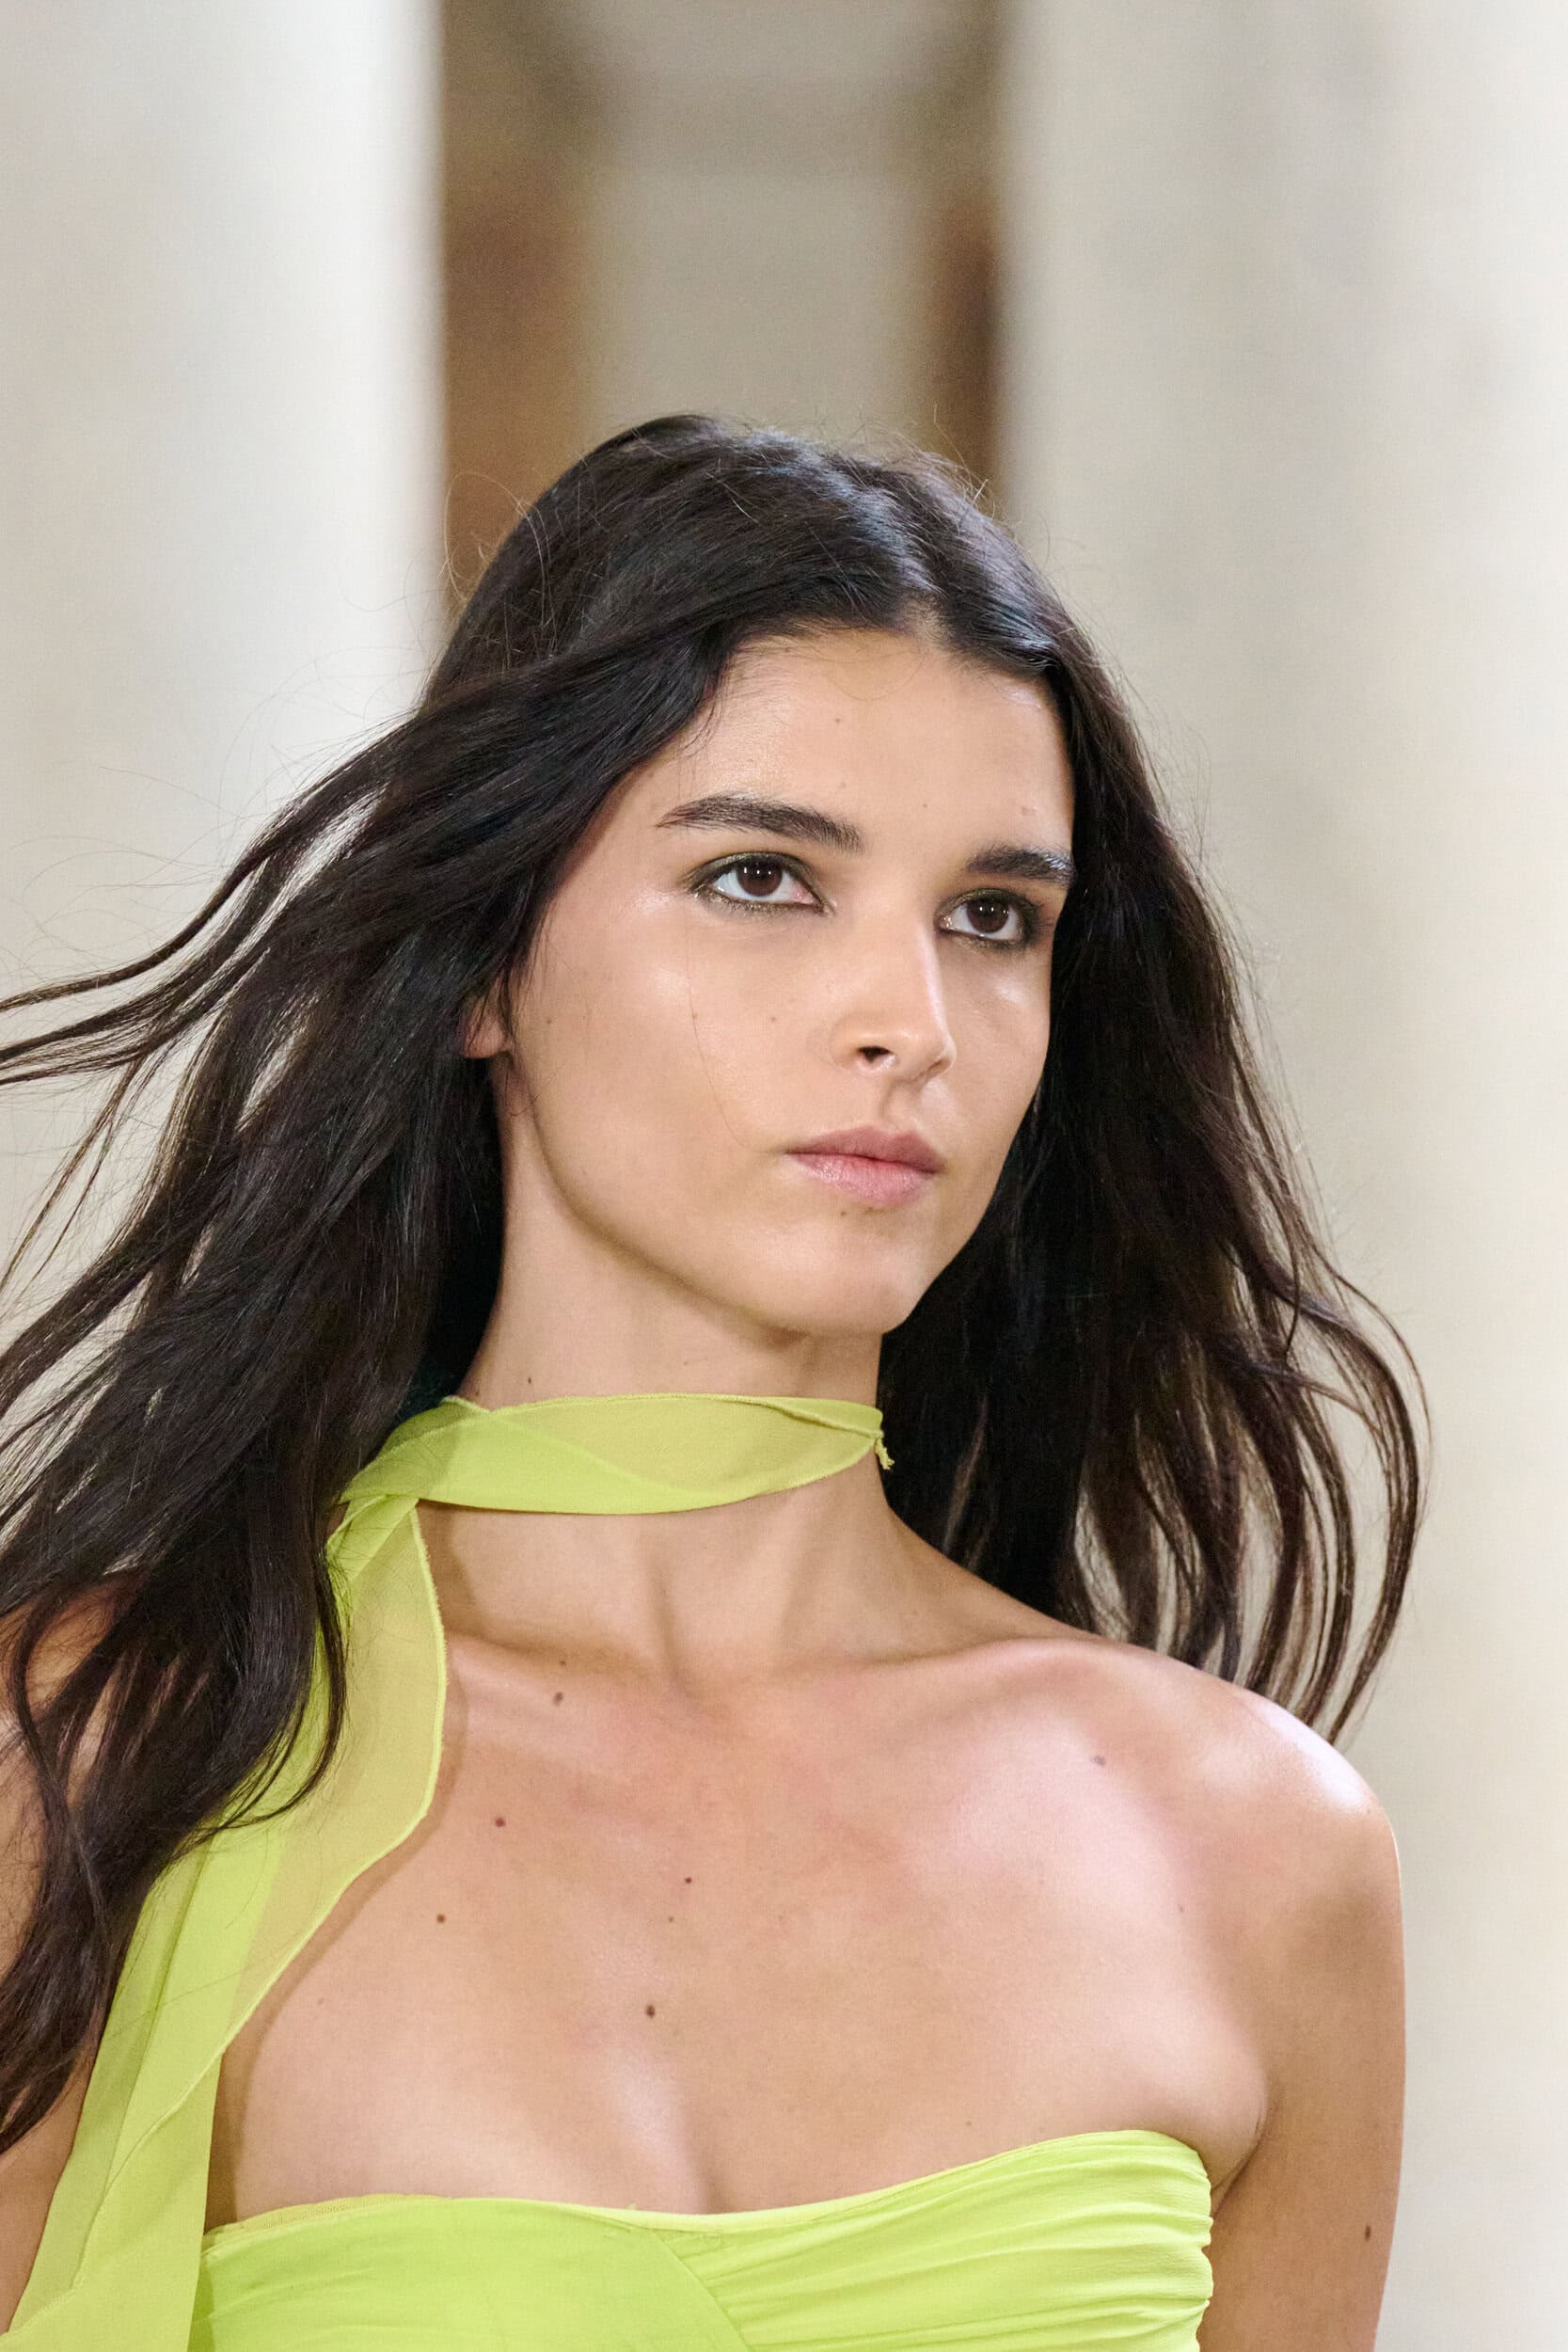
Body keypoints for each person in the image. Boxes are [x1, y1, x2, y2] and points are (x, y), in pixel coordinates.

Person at [0, 415, 1421, 2349]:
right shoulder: (101, 1763)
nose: (908, 1022)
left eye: (994, 918)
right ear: (486, 960)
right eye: (763, 877)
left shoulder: (1255, 1852)